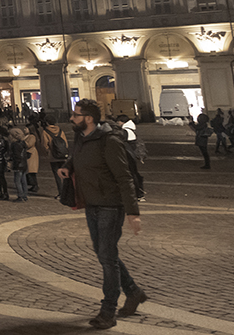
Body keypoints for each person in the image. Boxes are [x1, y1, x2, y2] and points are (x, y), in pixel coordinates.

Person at [59, 99, 144, 329]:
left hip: (110, 205)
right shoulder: (81, 137)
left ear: (88, 118)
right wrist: (68, 166)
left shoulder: (109, 141)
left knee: (107, 257)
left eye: (76, 115)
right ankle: (134, 292)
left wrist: (132, 213)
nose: (71, 118)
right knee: (105, 253)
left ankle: (108, 312)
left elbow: (124, 177)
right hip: (91, 203)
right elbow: (76, 155)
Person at [117, 115, 145, 201]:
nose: (118, 124)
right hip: (131, 155)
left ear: (122, 122)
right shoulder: (131, 130)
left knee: (132, 175)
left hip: (128, 156)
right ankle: (138, 193)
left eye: (118, 122)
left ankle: (137, 193)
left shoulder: (126, 131)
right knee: (134, 174)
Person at [40, 119, 70, 197]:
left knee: (57, 175)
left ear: (47, 122)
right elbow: (65, 143)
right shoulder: (60, 131)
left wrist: (48, 152)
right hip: (62, 156)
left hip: (53, 156)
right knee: (64, 174)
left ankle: (61, 192)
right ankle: (67, 192)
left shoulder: (45, 132)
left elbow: (44, 145)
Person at [7, 127, 29, 202]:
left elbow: (16, 155)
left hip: (18, 164)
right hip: (24, 163)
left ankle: (20, 196)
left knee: (17, 181)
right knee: (24, 180)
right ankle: (25, 195)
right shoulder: (23, 143)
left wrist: (12, 163)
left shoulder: (14, 144)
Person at [24, 125, 40, 193]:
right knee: (29, 171)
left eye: (26, 128)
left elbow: (29, 145)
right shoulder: (27, 136)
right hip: (28, 154)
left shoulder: (32, 136)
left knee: (31, 171)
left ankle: (35, 185)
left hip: (31, 154)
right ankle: (32, 185)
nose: (24, 129)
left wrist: (23, 141)